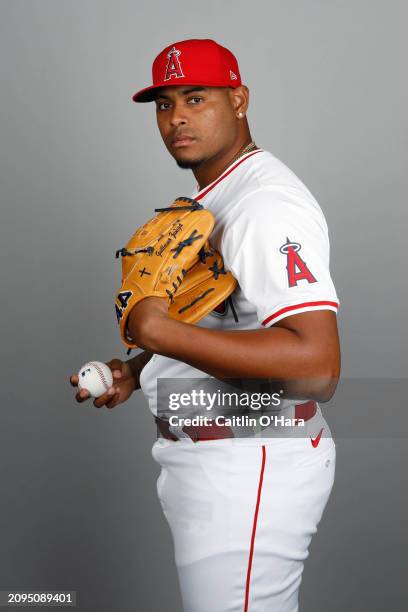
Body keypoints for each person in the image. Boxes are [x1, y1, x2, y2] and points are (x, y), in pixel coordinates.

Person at [70, 38, 341, 612]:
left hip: (251, 464)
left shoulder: (265, 204)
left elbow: (316, 366)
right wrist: (142, 369)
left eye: (197, 98)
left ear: (238, 99)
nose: (178, 118)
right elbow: (232, 324)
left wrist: (158, 332)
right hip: (216, 459)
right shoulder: (221, 194)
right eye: (165, 105)